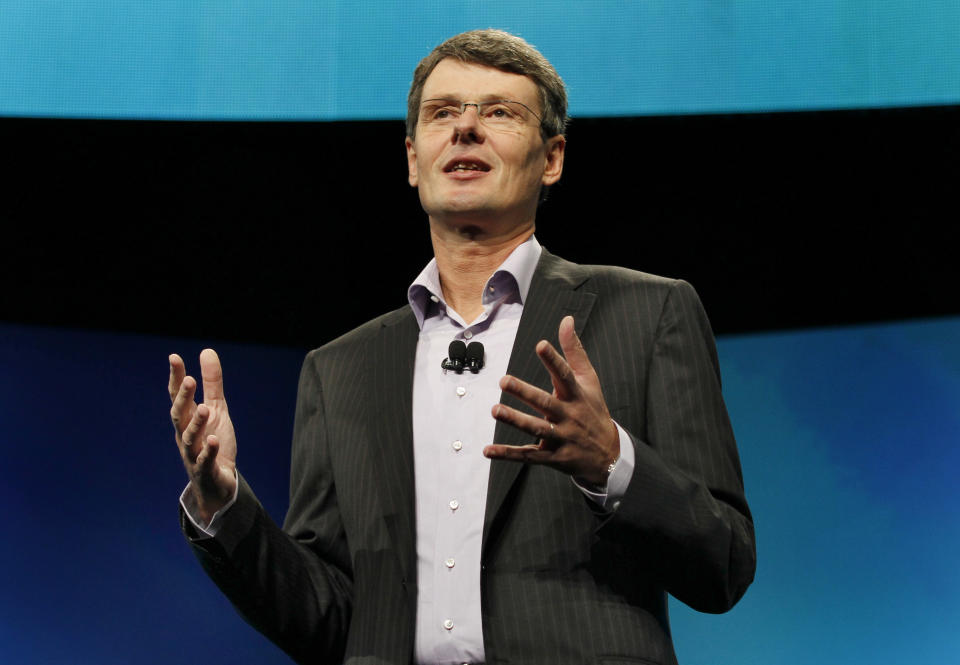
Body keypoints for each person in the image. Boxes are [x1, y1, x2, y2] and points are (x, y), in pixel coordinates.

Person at [169, 29, 755, 665]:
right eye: (442, 112)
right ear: (415, 160)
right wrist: (225, 505)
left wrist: (613, 464)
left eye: (500, 112)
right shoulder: (340, 369)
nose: (466, 129)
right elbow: (328, 618)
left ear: (552, 158)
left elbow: (723, 564)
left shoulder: (649, 313)